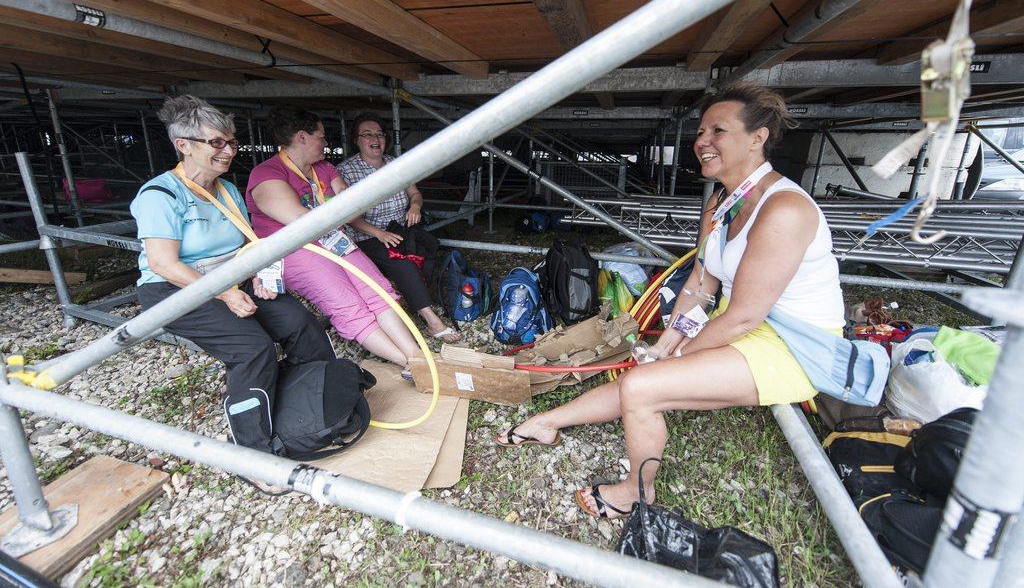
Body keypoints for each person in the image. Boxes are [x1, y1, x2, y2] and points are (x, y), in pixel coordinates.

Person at [496, 83, 845, 518]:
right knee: (646, 373)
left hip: (793, 345)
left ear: (758, 137)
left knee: (645, 385)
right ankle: (549, 423)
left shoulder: (784, 208)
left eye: (719, 130)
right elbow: (700, 283)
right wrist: (666, 344)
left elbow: (744, 317)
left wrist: (677, 354)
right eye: (701, 132)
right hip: (743, 324)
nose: (703, 142)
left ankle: (637, 492)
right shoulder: (722, 200)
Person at [130, 96, 336, 492]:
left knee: (301, 323)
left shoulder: (226, 190)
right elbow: (163, 264)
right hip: (175, 289)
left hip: (231, 280)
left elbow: (249, 244)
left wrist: (261, 273)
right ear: (184, 145)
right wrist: (225, 294)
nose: (227, 151)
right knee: (252, 348)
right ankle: (251, 455)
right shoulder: (161, 195)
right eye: (216, 143)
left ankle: (313, 408)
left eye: (232, 143)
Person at [246, 106, 422, 376]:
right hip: (296, 250)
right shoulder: (268, 174)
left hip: (331, 239)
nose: (326, 143)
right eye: (322, 137)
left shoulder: (324, 168)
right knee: (348, 305)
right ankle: (407, 363)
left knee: (378, 289)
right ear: (302, 137)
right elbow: (303, 223)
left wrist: (338, 212)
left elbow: (353, 208)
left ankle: (416, 356)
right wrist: (337, 211)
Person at [338, 113, 459, 342]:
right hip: (367, 235)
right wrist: (379, 233)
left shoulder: (397, 164)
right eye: (367, 134)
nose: (375, 139)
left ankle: (410, 297)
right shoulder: (346, 171)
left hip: (399, 229)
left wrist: (415, 206)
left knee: (428, 253)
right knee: (402, 263)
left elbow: (414, 193)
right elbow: (346, 216)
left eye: (379, 134)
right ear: (356, 140)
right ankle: (432, 320)